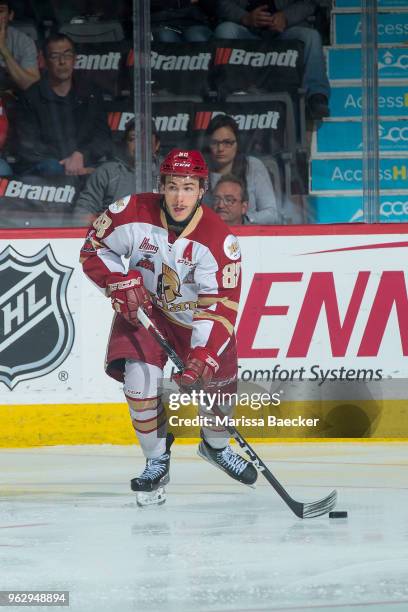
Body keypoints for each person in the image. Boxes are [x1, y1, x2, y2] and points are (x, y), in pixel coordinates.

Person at [80, 148, 257, 506]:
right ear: (161, 185)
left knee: (218, 402)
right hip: (146, 313)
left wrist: (202, 357)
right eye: (173, 186)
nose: (179, 197)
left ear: (201, 190)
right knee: (139, 386)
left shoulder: (219, 242)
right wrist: (119, 282)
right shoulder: (131, 211)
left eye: (188, 188)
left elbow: (219, 306)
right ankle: (157, 460)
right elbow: (94, 249)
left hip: (198, 326)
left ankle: (216, 448)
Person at [15, 32, 112, 176]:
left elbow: (103, 137)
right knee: (52, 168)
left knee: (113, 170)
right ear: (45, 61)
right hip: (46, 168)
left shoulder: (91, 93)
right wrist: (66, 161)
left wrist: (81, 155)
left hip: (84, 162)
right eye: (55, 56)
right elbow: (28, 146)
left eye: (67, 55)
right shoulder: (31, 96)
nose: (62, 61)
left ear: (75, 59)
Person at [214, 0, 330, 120]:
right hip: (246, 31)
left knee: (310, 36)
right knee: (225, 30)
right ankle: (223, 96)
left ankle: (316, 96)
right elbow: (221, 3)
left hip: (285, 31)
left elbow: (310, 2)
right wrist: (245, 17)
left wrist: (286, 17)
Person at [74, 119, 161, 221]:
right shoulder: (107, 172)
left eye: (145, 139)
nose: (139, 144)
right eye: (133, 138)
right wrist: (107, 224)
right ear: (124, 144)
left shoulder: (168, 173)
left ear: (157, 144)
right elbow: (81, 214)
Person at [204, 114, 278, 224]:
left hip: (250, 235)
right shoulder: (200, 170)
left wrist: (244, 221)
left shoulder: (252, 166)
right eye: (215, 143)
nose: (220, 148)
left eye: (227, 142)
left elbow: (272, 214)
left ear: (237, 143)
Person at [0, 0, 39, 92]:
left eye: (0, 11)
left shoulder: (24, 42)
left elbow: (33, 86)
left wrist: (3, 49)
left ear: (10, 15)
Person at [151, 0, 216, 42]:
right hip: (163, 23)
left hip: (192, 22)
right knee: (166, 36)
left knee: (196, 36)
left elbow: (212, 9)